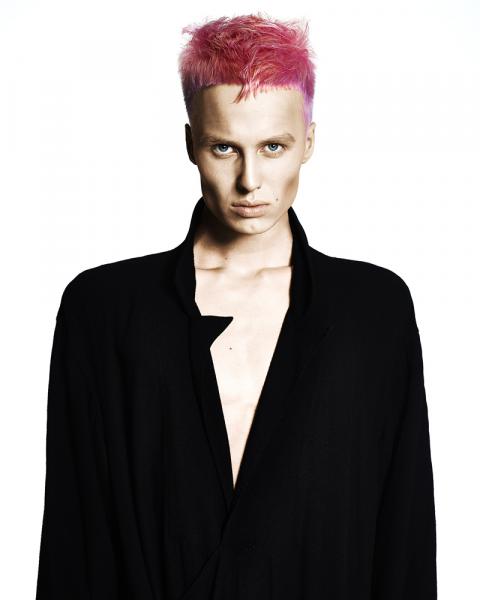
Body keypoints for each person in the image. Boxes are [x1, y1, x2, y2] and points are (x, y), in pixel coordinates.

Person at [35, 12, 437, 600]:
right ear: (191, 145)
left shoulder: (374, 312)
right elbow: (75, 539)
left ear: (308, 143)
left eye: (273, 146)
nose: (251, 181)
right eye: (225, 147)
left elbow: (404, 536)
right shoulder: (103, 310)